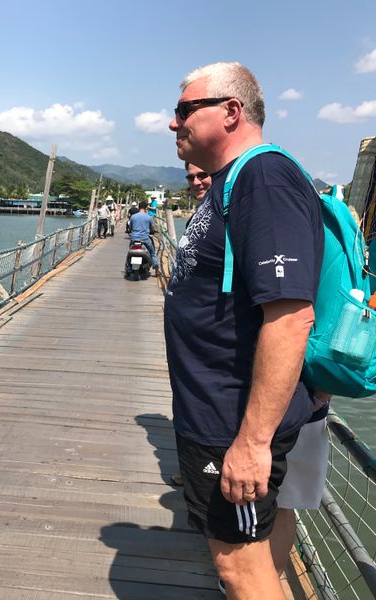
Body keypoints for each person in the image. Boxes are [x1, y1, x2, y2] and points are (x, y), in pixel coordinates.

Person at [164, 62, 324, 600]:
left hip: (231, 421)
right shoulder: (230, 184)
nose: (173, 122)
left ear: (231, 111)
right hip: (217, 413)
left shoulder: (264, 177)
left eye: (186, 109)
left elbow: (290, 314)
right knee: (256, 559)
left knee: (238, 569)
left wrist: (253, 442)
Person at [127, 200, 159, 276]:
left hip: (134, 238)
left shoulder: (133, 217)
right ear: (146, 208)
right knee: (152, 253)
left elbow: (130, 227)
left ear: (139, 207)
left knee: (129, 252)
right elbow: (152, 228)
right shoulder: (149, 217)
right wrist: (153, 231)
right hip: (145, 238)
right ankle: (157, 269)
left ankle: (128, 267)